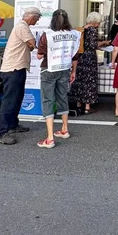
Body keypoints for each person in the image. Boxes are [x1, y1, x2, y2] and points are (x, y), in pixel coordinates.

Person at [35, 9, 80, 149]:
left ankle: (50, 138)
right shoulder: (74, 34)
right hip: (65, 68)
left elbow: (39, 55)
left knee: (48, 100)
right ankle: (64, 129)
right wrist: (73, 71)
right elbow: (75, 55)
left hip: (48, 69)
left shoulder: (47, 35)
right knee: (62, 97)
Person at [0, 7, 40, 145]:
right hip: (13, 68)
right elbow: (33, 43)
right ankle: (2, 133)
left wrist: (30, 45)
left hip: (17, 67)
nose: (37, 21)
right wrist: (31, 44)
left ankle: (13, 125)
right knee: (10, 100)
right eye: (37, 18)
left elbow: (30, 45)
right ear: (32, 17)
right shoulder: (22, 26)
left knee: (17, 98)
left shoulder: (21, 26)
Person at [71, 12, 101, 114]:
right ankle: (87, 107)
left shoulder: (82, 28)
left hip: (80, 56)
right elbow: (93, 45)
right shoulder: (93, 30)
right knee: (89, 81)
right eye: (98, 22)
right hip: (89, 57)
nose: (99, 24)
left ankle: (79, 104)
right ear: (95, 21)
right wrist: (104, 43)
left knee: (80, 80)